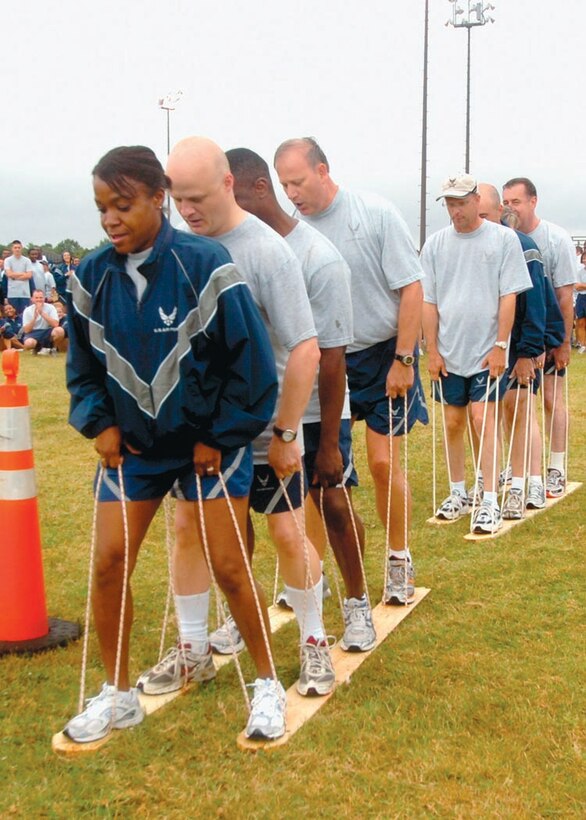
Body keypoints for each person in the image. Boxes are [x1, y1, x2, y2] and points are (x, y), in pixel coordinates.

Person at [62, 144, 283, 744]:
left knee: (230, 567)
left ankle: (266, 685)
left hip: (208, 448)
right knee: (109, 564)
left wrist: (220, 435)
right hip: (132, 450)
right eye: (102, 207)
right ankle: (116, 694)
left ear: (158, 198)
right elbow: (82, 368)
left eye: (123, 205)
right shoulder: (89, 276)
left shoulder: (205, 263)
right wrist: (98, 422)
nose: (110, 219)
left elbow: (254, 366)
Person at [136, 137, 335, 706]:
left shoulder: (267, 252)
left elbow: (304, 348)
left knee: (286, 533)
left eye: (198, 197)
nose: (188, 211)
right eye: (178, 200)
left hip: (267, 429)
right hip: (201, 434)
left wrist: (287, 433)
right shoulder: (172, 250)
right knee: (187, 531)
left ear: (228, 184)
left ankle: (315, 641)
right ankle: (194, 651)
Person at [226, 146, 375, 652]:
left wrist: (328, 441)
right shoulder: (230, 248)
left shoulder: (318, 258)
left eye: (234, 196)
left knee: (332, 500)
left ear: (256, 189)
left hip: (315, 408)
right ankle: (239, 611)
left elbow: (332, 359)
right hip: (254, 411)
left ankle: (357, 606)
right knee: (239, 510)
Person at [274, 137, 427, 602]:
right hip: (327, 362)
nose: (291, 193)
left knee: (383, 464)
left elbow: (412, 288)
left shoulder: (373, 213)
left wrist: (404, 358)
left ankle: (398, 558)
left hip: (383, 354)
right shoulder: (292, 233)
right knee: (320, 475)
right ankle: (314, 572)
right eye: (283, 185)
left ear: (323, 170)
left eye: (297, 181)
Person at [421, 174, 531, 533]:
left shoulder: (502, 240)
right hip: (449, 352)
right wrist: (432, 350)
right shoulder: (435, 244)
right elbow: (429, 300)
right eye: (449, 204)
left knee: (483, 421)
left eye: (460, 203)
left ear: (474, 201)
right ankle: (457, 492)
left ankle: (488, 500)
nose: (455, 210)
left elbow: (509, 295)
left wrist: (501, 345)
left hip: (487, 352)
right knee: (453, 422)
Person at [477, 184, 563, 517]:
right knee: (498, 413)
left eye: (485, 214)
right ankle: (507, 476)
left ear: (500, 212)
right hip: (492, 344)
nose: (481, 221)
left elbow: (538, 302)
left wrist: (530, 350)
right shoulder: (477, 246)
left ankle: (534, 482)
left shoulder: (522, 246)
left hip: (521, 344)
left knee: (521, 410)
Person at [502, 178, 577, 497]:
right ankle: (515, 464)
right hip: (519, 338)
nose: (510, 208)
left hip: (549, 332)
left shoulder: (555, 238)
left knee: (550, 398)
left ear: (533, 202)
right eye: (505, 202)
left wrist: (561, 344)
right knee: (514, 403)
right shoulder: (505, 238)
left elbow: (563, 295)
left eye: (516, 201)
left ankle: (556, 467)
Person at [21, 290, 62, 354]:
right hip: (33, 333)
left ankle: (53, 349)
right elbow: (26, 330)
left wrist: (42, 313)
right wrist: (34, 318)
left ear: (44, 298)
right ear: (32, 299)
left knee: (59, 331)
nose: (39, 300)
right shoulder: (27, 310)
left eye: (41, 297)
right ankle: (37, 348)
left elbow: (56, 324)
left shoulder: (51, 307)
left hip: (47, 331)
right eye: (36, 298)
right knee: (29, 343)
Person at [4, 241, 33, 317]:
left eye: (19, 248)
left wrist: (14, 276)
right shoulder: (8, 260)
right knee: (13, 314)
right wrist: (23, 273)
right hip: (12, 293)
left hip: (25, 293)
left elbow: (29, 275)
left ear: (22, 248)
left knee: (25, 315)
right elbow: (9, 274)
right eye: (15, 248)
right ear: (12, 249)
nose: (17, 249)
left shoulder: (27, 260)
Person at [574, 251, 586, 353]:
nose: (585, 260)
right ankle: (582, 345)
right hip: (581, 297)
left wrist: (583, 285)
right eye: (584, 258)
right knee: (580, 322)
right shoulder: (580, 271)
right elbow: (577, 286)